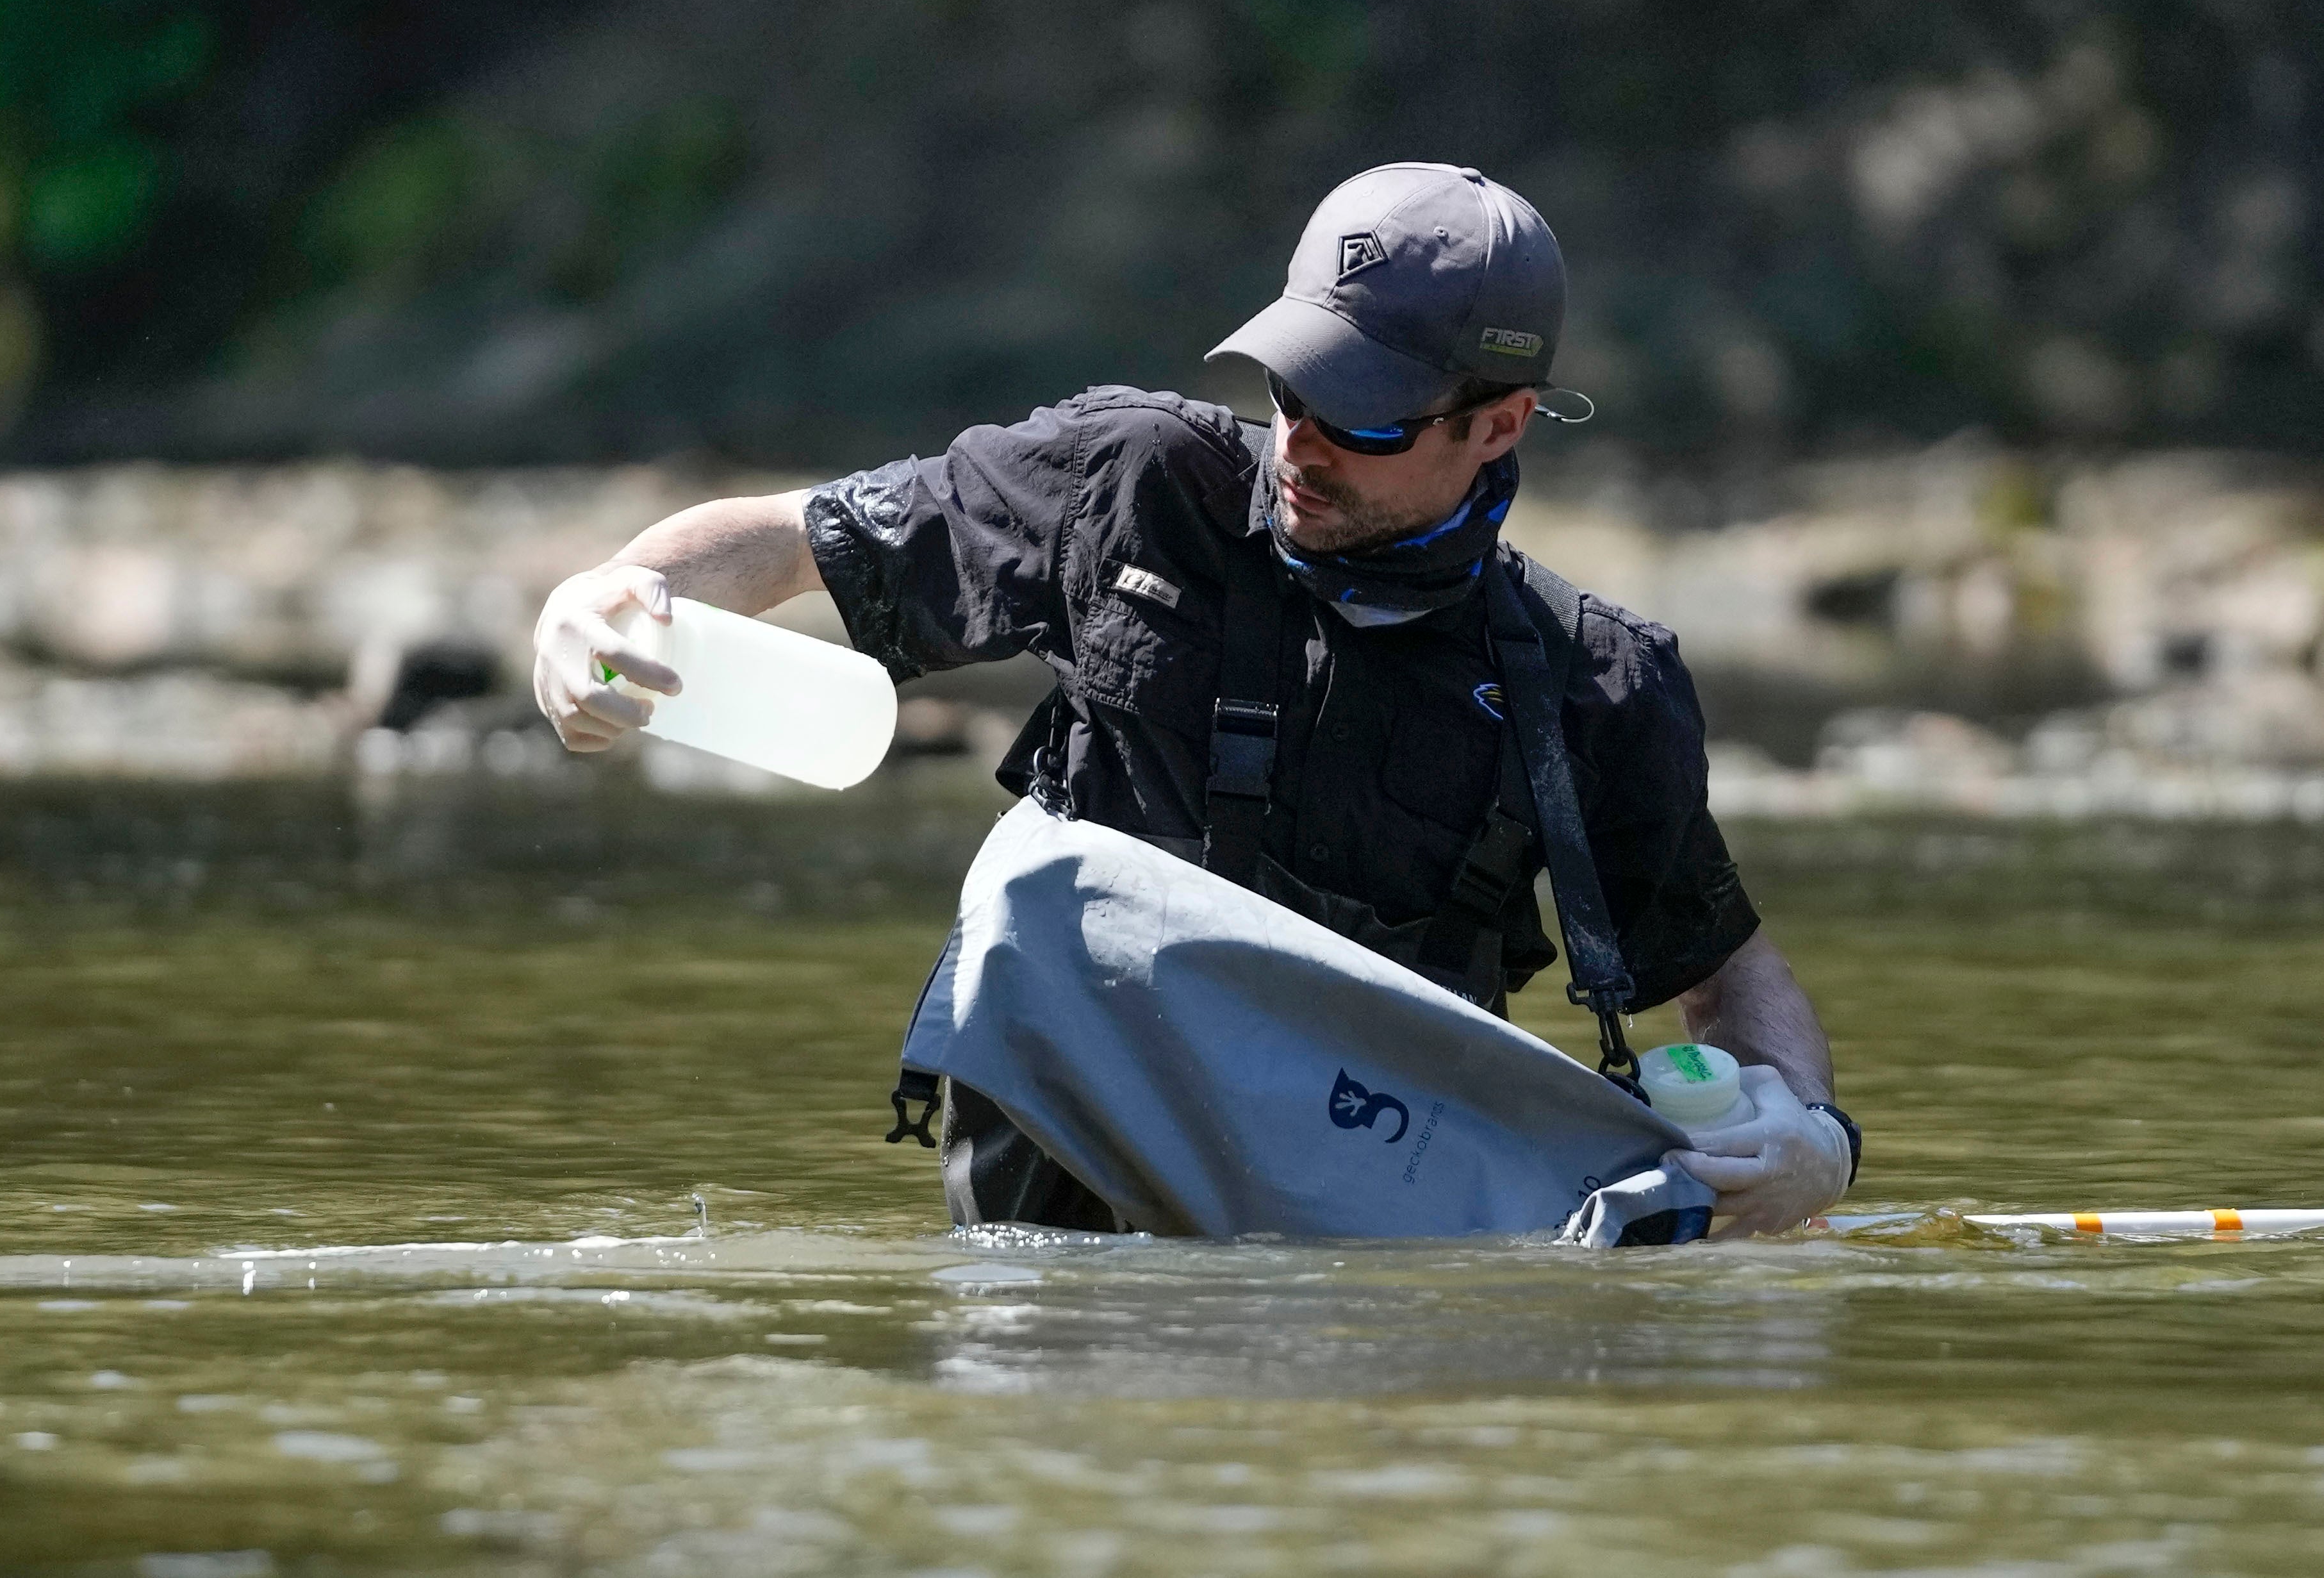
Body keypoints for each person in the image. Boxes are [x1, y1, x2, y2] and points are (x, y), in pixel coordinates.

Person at [531, 162, 1859, 1238]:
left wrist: (1810, 1138)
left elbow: (1723, 980)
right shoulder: (1129, 481)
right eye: (1291, 388)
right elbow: (791, 538)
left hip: (1375, 1261)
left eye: (1368, 418)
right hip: (1053, 1241)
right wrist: (609, 597)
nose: (1302, 443)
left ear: (1498, 426)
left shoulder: (1596, 684)